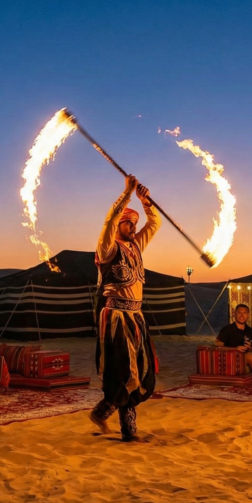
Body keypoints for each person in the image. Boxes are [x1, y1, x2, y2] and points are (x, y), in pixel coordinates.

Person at [88, 174, 160, 443]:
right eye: (129, 223)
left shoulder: (136, 246)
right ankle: (128, 429)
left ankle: (102, 411)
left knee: (142, 370)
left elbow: (155, 224)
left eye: (134, 224)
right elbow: (108, 222)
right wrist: (127, 194)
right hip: (116, 317)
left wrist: (146, 202)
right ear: (120, 224)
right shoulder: (107, 248)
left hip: (136, 317)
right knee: (125, 372)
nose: (134, 227)